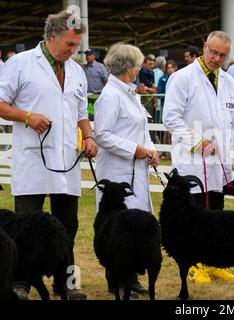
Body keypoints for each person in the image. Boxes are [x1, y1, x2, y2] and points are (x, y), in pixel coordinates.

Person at [0, 11, 97, 300]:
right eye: (69, 44)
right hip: (33, 159)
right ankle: (20, 283)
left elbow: (81, 113)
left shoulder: (77, 70)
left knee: (68, 225)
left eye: (76, 45)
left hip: (67, 159)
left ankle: (67, 282)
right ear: (51, 37)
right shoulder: (20, 64)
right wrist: (27, 116)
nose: (73, 50)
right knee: (25, 223)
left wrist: (89, 135)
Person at [163, 30, 234, 285]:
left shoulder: (229, 81)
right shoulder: (182, 78)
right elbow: (171, 118)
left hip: (219, 161)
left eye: (222, 55)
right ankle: (194, 265)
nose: (216, 58)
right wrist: (196, 142)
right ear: (204, 47)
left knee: (217, 214)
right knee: (195, 216)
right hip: (192, 160)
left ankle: (214, 262)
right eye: (213, 52)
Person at [94, 43, 160, 296]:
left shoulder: (130, 93)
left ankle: (130, 276)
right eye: (138, 64)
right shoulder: (110, 95)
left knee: (135, 227)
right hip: (118, 169)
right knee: (117, 229)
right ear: (128, 68)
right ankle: (116, 278)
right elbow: (102, 135)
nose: (141, 68)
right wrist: (135, 149)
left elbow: (142, 129)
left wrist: (151, 149)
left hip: (137, 168)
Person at [157, 60, 177, 160]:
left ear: (175, 68)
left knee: (173, 132)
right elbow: (160, 91)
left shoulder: (179, 77)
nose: (170, 70)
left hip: (177, 108)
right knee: (166, 131)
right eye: (168, 68)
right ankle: (166, 152)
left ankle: (172, 153)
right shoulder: (162, 78)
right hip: (165, 106)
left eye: (171, 68)